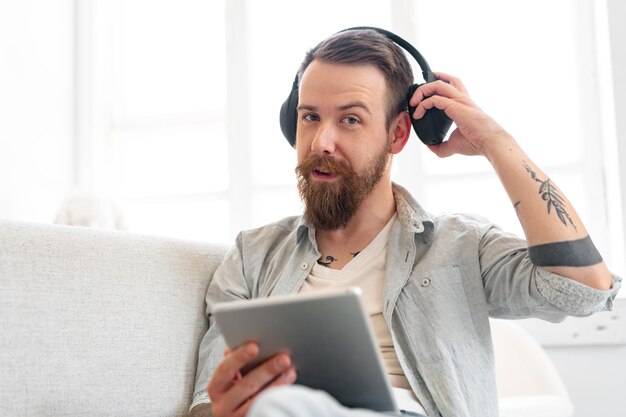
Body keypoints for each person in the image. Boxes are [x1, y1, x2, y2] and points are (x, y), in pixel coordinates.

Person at [188, 28, 621, 417]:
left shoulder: (460, 244)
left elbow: (583, 289)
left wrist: (495, 142)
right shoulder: (251, 256)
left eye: (350, 119)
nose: (321, 142)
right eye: (310, 117)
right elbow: (207, 405)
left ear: (398, 134)